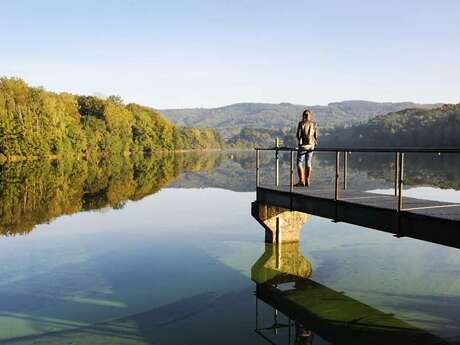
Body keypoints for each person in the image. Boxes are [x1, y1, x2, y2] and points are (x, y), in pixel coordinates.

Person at [295, 109, 318, 187]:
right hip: (311, 145)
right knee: (308, 162)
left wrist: (300, 141)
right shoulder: (314, 124)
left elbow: (298, 135)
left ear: (303, 115)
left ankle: (302, 181)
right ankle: (307, 180)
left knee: (299, 163)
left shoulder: (301, 123)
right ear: (310, 116)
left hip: (303, 146)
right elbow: (316, 136)